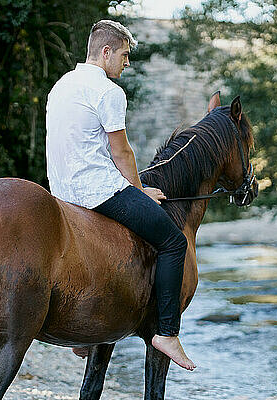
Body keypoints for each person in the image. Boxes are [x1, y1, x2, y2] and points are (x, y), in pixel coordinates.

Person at [45, 19, 195, 371]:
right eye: (124, 56)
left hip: (62, 192)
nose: (126, 63)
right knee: (173, 242)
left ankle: (84, 337)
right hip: (97, 189)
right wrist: (140, 192)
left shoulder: (61, 85)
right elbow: (122, 153)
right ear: (106, 52)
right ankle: (167, 333)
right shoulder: (108, 91)